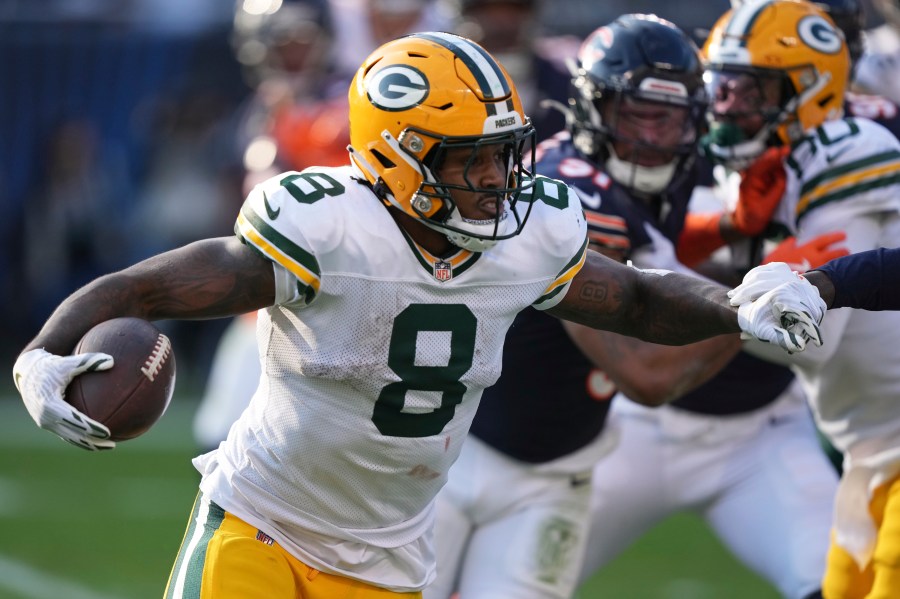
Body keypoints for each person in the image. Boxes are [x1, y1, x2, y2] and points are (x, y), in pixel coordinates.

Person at [12, 32, 821, 598]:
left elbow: (639, 297)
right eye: (471, 159)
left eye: (503, 151)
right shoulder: (327, 225)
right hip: (264, 518)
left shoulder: (528, 234)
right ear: (398, 158)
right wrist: (43, 350)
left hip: (391, 556)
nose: (498, 178)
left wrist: (738, 303)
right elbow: (149, 287)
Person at [424, 15, 842, 599]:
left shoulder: (631, 182)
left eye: (667, 119)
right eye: (636, 115)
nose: (651, 137)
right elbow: (646, 372)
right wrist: (765, 296)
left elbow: (656, 259)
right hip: (454, 450)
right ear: (596, 108)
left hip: (558, 467)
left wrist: (729, 228)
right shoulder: (573, 198)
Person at [700, 1, 900, 597]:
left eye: (750, 88)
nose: (728, 104)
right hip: (871, 447)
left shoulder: (848, 146)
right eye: (722, 84)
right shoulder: (770, 162)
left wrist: (684, 313)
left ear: (809, 89)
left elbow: (810, 340)